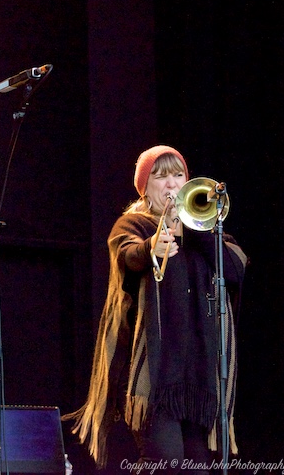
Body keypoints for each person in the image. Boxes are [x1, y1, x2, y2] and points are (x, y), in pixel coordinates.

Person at [64, 145, 248, 470]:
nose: (172, 184)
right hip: (155, 376)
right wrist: (152, 247)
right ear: (144, 187)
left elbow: (235, 268)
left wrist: (193, 227)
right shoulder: (133, 224)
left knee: (197, 468)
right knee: (166, 463)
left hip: (196, 376)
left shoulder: (204, 233)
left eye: (178, 176)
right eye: (161, 176)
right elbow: (127, 255)